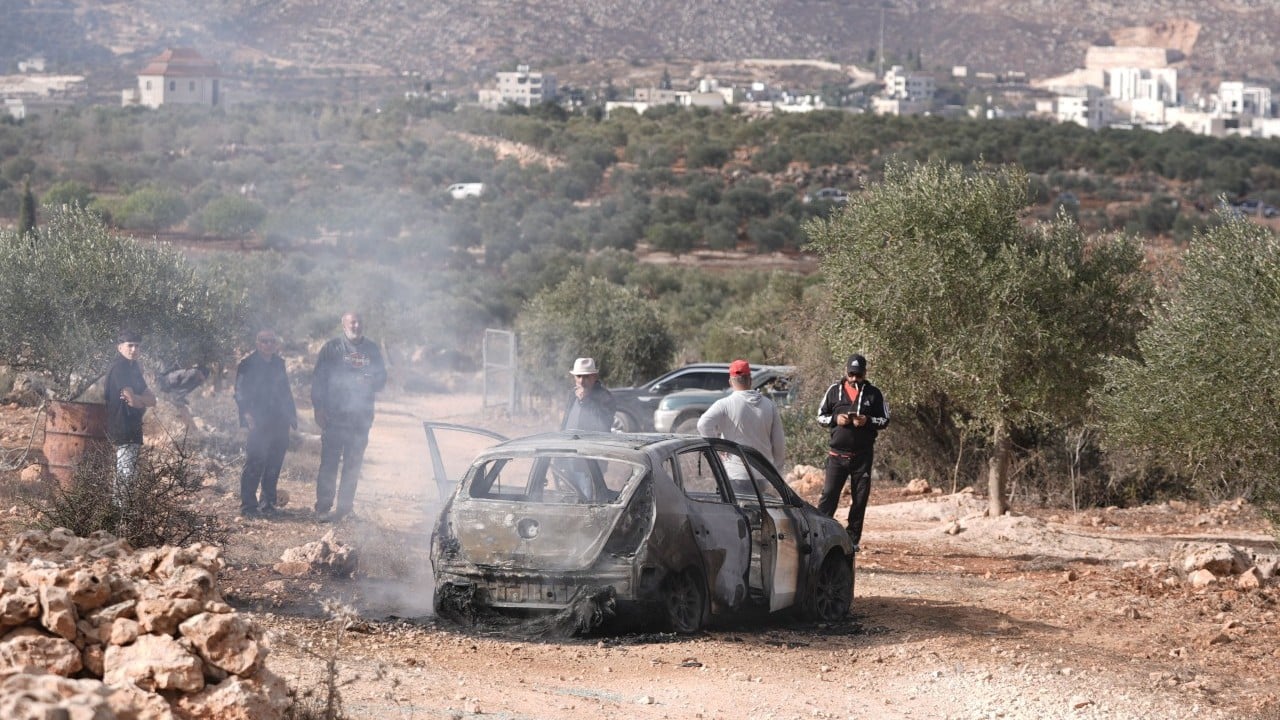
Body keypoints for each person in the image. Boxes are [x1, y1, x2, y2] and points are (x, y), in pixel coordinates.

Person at [311, 311, 386, 521]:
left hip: (361, 418)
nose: (356, 326)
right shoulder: (332, 348)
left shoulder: (371, 349)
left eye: (359, 322)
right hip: (334, 417)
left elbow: (382, 379)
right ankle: (323, 508)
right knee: (329, 463)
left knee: (353, 465)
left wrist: (372, 381)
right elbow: (318, 379)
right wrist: (318, 408)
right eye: (352, 322)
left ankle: (345, 509)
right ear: (343, 325)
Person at [816, 353, 890, 552]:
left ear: (865, 373)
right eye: (851, 374)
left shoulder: (874, 393)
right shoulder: (834, 391)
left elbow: (885, 420)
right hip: (837, 456)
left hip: (862, 456)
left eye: (858, 375)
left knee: (860, 499)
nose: (854, 378)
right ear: (845, 372)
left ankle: (852, 539)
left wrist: (867, 421)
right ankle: (820, 534)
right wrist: (836, 419)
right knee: (829, 495)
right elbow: (820, 417)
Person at [234, 330, 297, 518]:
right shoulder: (247, 364)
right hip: (258, 420)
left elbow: (285, 391)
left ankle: (268, 503)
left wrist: (291, 416)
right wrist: (246, 414)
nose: (269, 345)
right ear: (258, 343)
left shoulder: (279, 363)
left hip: (280, 420)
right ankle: (248, 507)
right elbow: (239, 392)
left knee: (274, 463)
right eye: (264, 341)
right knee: (255, 462)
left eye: (272, 341)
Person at [696, 359, 786, 472]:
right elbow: (779, 443)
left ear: (730, 382)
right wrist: (777, 470)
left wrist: (718, 447)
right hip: (764, 473)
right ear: (750, 380)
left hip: (735, 473)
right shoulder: (769, 405)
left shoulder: (724, 404)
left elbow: (703, 425)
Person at [103, 329, 157, 493]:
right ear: (120, 347)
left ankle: (122, 506)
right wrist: (139, 399)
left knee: (128, 472)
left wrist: (138, 399)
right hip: (122, 424)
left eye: (137, 346)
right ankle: (120, 507)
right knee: (125, 473)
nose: (134, 350)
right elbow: (131, 400)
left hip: (133, 425)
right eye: (130, 345)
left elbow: (152, 400)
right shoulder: (120, 367)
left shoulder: (133, 368)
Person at [561, 357, 616, 433]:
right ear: (574, 377)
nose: (581, 381)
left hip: (592, 440)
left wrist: (585, 400)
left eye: (586, 376)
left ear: (594, 377)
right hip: (571, 439)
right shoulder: (573, 394)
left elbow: (604, 425)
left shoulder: (605, 396)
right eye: (578, 376)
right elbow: (565, 421)